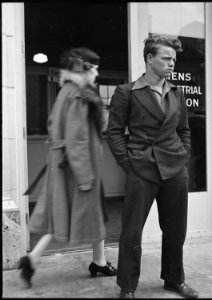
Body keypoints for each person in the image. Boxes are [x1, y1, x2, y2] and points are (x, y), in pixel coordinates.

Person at [107, 35, 199, 299]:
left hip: (174, 169)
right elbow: (113, 132)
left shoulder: (176, 92)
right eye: (166, 58)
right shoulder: (127, 92)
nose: (172, 64)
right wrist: (129, 163)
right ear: (149, 58)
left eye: (174, 59)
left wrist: (183, 155)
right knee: (132, 232)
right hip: (141, 168)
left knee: (175, 230)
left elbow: (184, 130)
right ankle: (127, 287)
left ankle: (174, 279)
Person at [18, 47, 117, 288]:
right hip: (78, 168)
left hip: (64, 165)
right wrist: (84, 175)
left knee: (70, 216)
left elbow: (54, 126)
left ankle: (98, 261)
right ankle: (33, 259)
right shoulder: (80, 95)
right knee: (77, 216)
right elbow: (78, 138)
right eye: (93, 68)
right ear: (82, 70)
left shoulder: (66, 92)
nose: (96, 73)